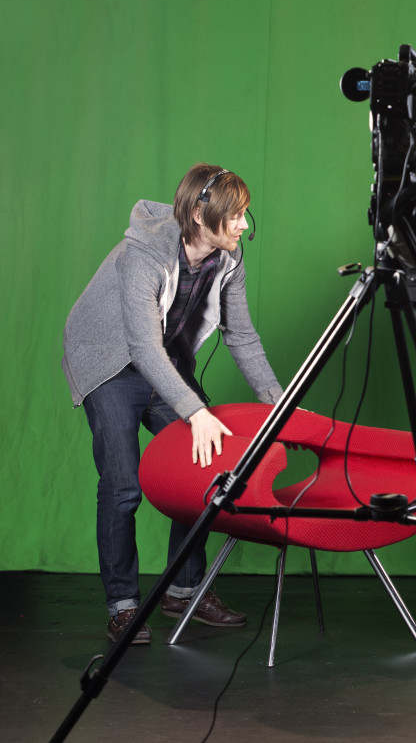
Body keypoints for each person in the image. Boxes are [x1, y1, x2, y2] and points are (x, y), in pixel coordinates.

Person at [62, 163, 284, 644]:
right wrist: (195, 410)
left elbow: (241, 335)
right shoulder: (143, 254)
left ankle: (184, 591)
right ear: (203, 217)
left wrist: (277, 403)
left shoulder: (229, 259)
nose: (244, 225)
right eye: (237, 215)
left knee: (204, 472)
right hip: (110, 362)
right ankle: (123, 607)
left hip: (161, 361)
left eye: (247, 214)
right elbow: (140, 347)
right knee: (122, 486)